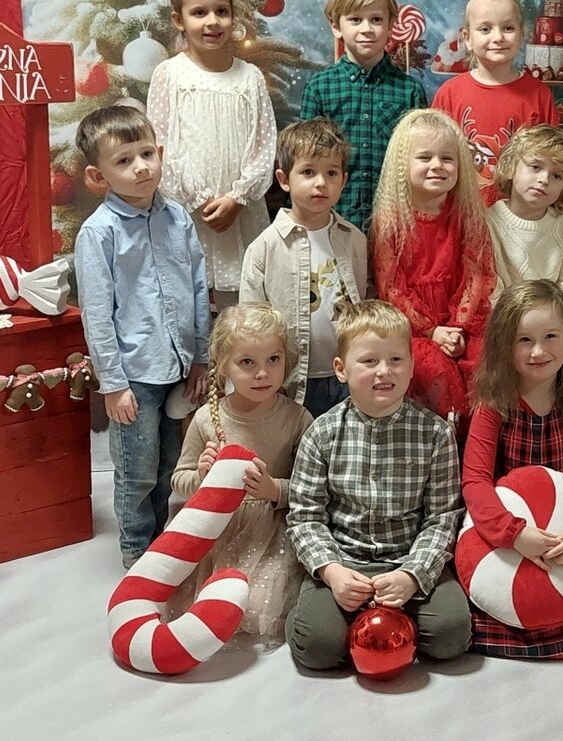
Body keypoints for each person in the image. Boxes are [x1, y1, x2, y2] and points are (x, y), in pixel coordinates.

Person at [285, 300, 470, 670]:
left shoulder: (435, 434)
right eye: (369, 361)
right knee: (316, 646)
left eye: (396, 360)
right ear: (342, 369)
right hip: (344, 560)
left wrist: (412, 575)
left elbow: (443, 518)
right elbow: (305, 517)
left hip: (407, 557)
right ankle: (344, 617)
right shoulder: (321, 433)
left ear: (411, 365)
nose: (384, 371)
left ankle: (394, 618)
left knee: (451, 635)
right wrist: (332, 572)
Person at [73, 105, 210, 569]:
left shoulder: (178, 219)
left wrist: (201, 357)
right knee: (137, 470)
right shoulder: (98, 233)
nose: (141, 167)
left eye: (147, 154)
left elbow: (197, 288)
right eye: (124, 160)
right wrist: (113, 384)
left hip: (179, 366)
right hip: (133, 375)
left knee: (170, 463)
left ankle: (161, 542)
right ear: (98, 176)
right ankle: (137, 554)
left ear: (161, 153)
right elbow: (97, 315)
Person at [461, 280, 563, 658]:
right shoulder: (494, 404)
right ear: (504, 346)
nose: (538, 351)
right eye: (524, 340)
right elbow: (475, 481)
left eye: (550, 336)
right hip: (508, 531)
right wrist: (513, 533)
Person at [167, 303, 313, 646]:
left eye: (273, 360)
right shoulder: (206, 418)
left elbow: (313, 488)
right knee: (201, 597)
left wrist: (274, 489)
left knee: (260, 597)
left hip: (271, 530)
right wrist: (202, 478)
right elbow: (179, 479)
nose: (262, 373)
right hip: (216, 528)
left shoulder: (297, 418)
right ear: (223, 365)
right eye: (247, 362)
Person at [147, 0, 276, 310]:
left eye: (221, 11)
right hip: (188, 213)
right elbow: (160, 145)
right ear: (179, 20)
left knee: (244, 309)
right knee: (190, 304)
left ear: (233, 15)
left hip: (241, 213)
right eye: (199, 13)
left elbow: (264, 145)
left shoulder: (249, 78)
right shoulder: (169, 75)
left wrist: (238, 197)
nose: (212, 22)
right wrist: (198, 198)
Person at [371, 108, 495, 427]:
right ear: (403, 164)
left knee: (488, 361)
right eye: (425, 157)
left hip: (462, 322)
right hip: (412, 327)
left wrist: (457, 327)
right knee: (433, 368)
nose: (437, 165)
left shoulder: (467, 215)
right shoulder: (390, 221)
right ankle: (440, 442)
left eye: (447, 158)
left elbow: (477, 276)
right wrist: (433, 331)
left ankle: (481, 443)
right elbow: (391, 288)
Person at [240, 118, 368, 417]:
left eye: (331, 173)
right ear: (284, 179)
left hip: (349, 375)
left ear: (343, 181)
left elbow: (367, 302)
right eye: (308, 172)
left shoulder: (355, 240)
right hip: (292, 382)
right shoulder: (265, 247)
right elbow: (250, 324)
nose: (321, 182)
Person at [298, 0, 427, 230]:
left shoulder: (410, 91)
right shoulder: (320, 88)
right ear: (336, 25)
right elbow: (305, 160)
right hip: (333, 220)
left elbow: (419, 159)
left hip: (394, 221)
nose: (366, 29)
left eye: (376, 19)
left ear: (391, 24)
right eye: (355, 19)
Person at [432, 0, 557, 186]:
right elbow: (435, 154)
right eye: (485, 29)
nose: (498, 37)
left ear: (522, 34)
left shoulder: (539, 95)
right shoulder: (449, 93)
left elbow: (551, 159)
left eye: (508, 28)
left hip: (519, 203)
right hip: (461, 202)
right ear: (467, 38)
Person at [485, 124, 563, 325]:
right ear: (511, 167)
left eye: (557, 176)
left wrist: (545, 319)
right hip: (505, 325)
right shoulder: (488, 223)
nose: (544, 180)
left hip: (553, 324)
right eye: (535, 167)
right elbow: (488, 290)